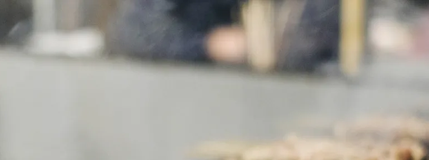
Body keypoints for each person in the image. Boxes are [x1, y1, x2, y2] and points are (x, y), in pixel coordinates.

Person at [110, 0, 340, 72]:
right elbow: (131, 34)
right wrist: (209, 44)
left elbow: (327, 37)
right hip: (183, 103)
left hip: (272, 105)